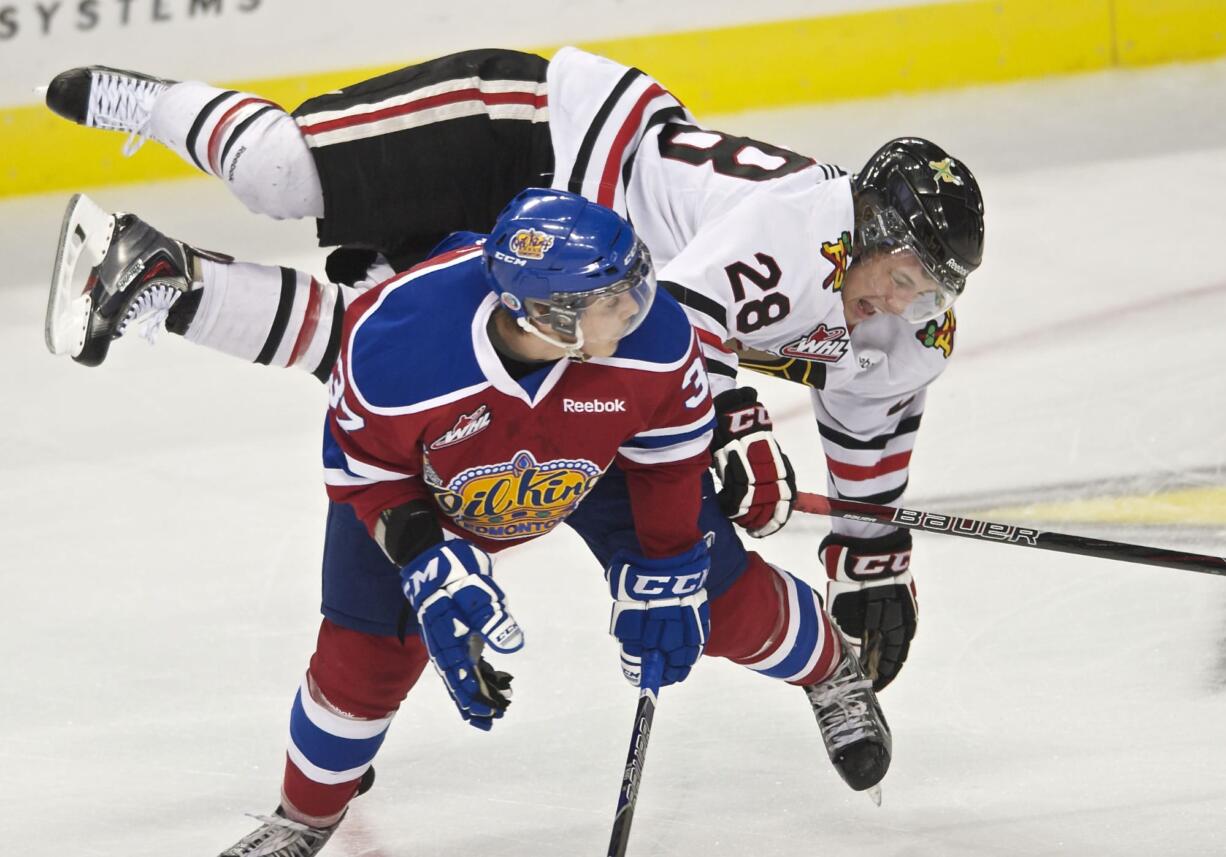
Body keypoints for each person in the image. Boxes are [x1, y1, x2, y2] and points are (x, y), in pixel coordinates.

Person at [44, 47, 985, 692]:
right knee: (284, 172)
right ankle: (155, 103)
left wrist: (870, 559)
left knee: (378, 349)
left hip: (579, 289)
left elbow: (873, 418)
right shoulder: (799, 227)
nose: (901, 307)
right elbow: (679, 325)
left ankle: (163, 277)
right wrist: (736, 432)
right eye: (900, 277)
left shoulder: (900, 326)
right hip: (538, 136)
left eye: (928, 295)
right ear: (867, 232)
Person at [52, 187, 893, 856]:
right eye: (614, 301)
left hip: (592, 460)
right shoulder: (394, 344)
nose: (641, 308)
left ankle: (829, 668)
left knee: (720, 595)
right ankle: (302, 818)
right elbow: (365, 474)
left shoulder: (652, 336)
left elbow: (671, 448)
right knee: (364, 659)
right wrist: (423, 558)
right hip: (429, 486)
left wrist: (670, 565)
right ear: (546, 317)